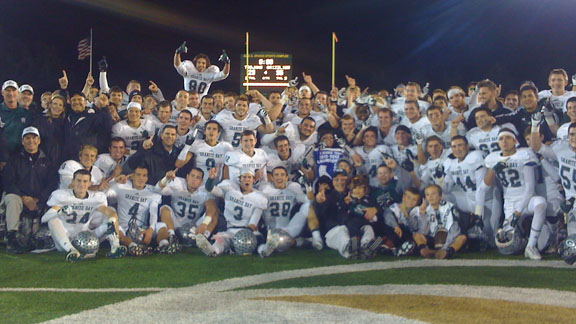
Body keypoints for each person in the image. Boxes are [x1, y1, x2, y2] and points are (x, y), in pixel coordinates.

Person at [482, 128, 547, 260]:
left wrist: (518, 212)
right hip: (510, 203)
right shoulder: (493, 159)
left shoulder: (525, 154)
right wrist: (494, 170)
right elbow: (484, 186)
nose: (504, 141)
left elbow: (529, 188)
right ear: (498, 143)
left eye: (507, 138)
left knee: (540, 203)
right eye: (501, 139)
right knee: (506, 245)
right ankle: (524, 240)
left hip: (527, 200)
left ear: (515, 141)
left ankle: (531, 246)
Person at [41, 169, 127, 262]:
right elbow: (44, 219)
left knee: (111, 218)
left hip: (87, 238)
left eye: (85, 181)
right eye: (79, 180)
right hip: (66, 238)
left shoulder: (96, 197)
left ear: (90, 183)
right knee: (53, 220)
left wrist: (112, 220)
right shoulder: (62, 195)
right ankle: (72, 250)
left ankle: (115, 247)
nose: (81, 184)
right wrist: (59, 212)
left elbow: (111, 213)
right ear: (73, 181)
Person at [2, 127, 58, 253]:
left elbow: (52, 184)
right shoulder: (14, 159)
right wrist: (24, 198)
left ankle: (49, 238)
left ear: (39, 140)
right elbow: (8, 182)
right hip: (20, 198)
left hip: (40, 199)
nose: (31, 141)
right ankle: (12, 239)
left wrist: (37, 199)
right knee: (11, 198)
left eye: (34, 138)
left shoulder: (48, 161)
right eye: (27, 138)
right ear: (22, 141)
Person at [196, 168, 267, 257]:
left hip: (248, 231)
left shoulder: (259, 197)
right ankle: (213, 251)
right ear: (240, 179)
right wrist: (211, 179)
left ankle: (264, 250)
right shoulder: (230, 189)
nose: (247, 179)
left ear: (254, 180)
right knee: (221, 241)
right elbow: (210, 189)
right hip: (231, 230)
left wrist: (241, 236)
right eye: (244, 177)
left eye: (249, 177)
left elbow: (253, 223)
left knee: (257, 241)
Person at [156, 167, 219, 253]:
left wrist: (205, 223)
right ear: (187, 177)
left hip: (195, 226)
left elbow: (212, 207)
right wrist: (166, 179)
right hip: (176, 224)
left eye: (198, 178)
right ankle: (172, 237)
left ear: (201, 181)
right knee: (164, 208)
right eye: (192, 176)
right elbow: (157, 189)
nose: (194, 179)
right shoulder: (178, 183)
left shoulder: (205, 189)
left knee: (215, 213)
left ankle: (204, 239)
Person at [106, 166, 163, 256]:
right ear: (132, 176)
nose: (141, 178)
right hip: (123, 227)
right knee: (116, 227)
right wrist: (115, 181)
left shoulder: (152, 192)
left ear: (147, 178)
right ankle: (133, 247)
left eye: (144, 175)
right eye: (138, 175)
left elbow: (153, 212)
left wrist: (151, 229)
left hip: (141, 229)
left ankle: (164, 245)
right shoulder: (121, 187)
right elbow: (104, 193)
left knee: (162, 225)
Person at [258, 166, 312, 257]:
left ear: (287, 178)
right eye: (276, 175)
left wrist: (308, 186)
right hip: (271, 229)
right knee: (276, 239)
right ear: (272, 178)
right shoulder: (265, 190)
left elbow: (309, 200)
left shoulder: (293, 188)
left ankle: (310, 238)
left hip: (290, 228)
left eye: (282, 175)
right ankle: (302, 242)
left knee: (308, 205)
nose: (279, 177)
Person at [413, 184, 467, 259]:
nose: (430, 197)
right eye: (427, 195)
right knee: (417, 235)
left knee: (462, 238)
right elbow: (423, 231)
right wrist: (423, 215)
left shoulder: (449, 208)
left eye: (433, 194)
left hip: (449, 239)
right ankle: (425, 250)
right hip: (433, 238)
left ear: (440, 196)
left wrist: (444, 246)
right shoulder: (425, 210)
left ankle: (447, 252)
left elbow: (454, 230)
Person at [1, 80, 31, 159]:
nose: (11, 93)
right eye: (8, 90)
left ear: (18, 93)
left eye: (13, 90)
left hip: (21, 158)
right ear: (2, 93)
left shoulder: (26, 113)